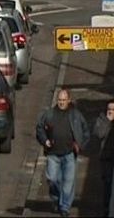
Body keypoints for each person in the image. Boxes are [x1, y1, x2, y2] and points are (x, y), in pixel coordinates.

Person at [36, 89, 90, 217]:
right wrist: (45, 141)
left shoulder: (76, 115)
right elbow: (39, 129)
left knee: (68, 183)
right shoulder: (49, 114)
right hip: (53, 154)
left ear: (69, 100)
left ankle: (64, 206)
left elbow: (85, 130)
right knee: (52, 179)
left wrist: (80, 145)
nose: (61, 102)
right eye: (59, 100)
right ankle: (57, 199)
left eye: (64, 100)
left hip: (69, 154)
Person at [94, 99, 114, 216]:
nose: (111, 112)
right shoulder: (102, 120)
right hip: (107, 159)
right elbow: (99, 134)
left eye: (113, 110)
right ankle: (107, 208)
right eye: (109, 109)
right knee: (108, 184)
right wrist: (107, 121)